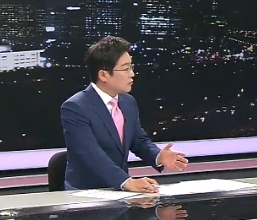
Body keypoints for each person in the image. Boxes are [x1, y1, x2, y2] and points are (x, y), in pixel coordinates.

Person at [61, 36, 189, 193]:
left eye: (131, 67)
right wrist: (126, 182)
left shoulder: (128, 102)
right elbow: (90, 154)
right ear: (103, 75)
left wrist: (158, 156)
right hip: (85, 195)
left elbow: (138, 140)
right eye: (125, 68)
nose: (132, 74)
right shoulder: (75, 107)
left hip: (120, 193)